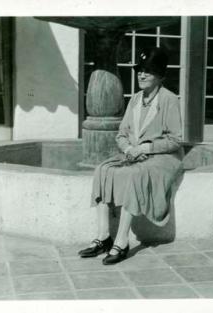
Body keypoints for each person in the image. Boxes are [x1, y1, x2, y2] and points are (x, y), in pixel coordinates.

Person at [78, 47, 183, 265]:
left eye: (149, 71)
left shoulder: (170, 100)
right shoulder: (135, 99)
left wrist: (144, 148)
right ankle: (103, 236)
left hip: (163, 158)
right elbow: (121, 134)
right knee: (102, 170)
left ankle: (122, 241)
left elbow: (175, 140)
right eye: (140, 70)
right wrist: (128, 149)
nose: (142, 75)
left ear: (160, 76)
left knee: (134, 176)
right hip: (133, 154)